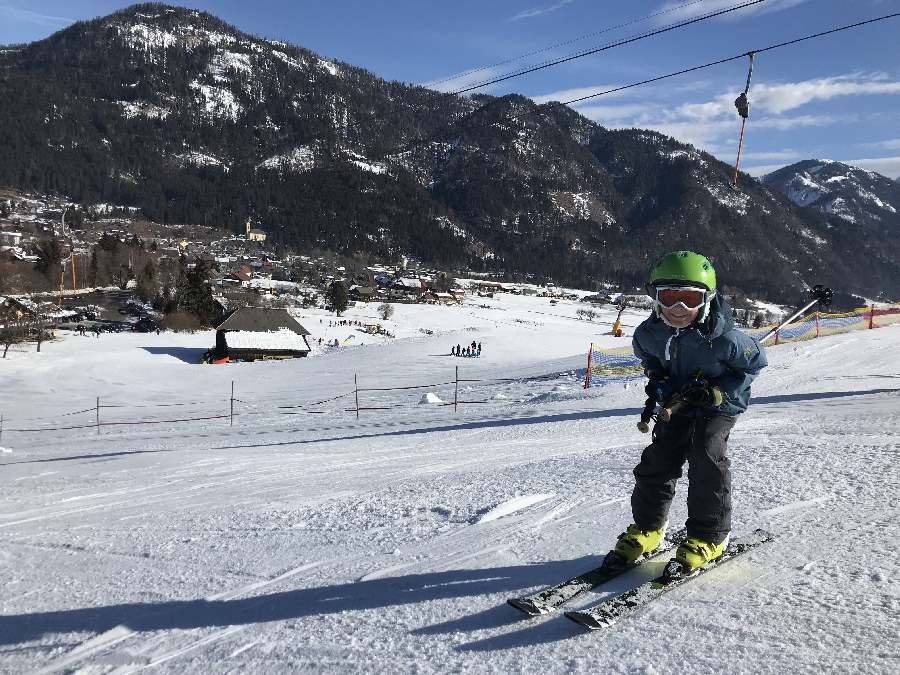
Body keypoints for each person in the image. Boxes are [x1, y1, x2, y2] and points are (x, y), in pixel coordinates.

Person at [609, 250, 767, 574]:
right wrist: (659, 380)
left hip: (719, 405)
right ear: (655, 297)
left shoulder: (727, 340)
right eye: (669, 297)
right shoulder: (648, 334)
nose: (678, 309)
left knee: (706, 454)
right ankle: (649, 529)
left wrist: (719, 392)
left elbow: (753, 365)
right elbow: (651, 360)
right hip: (678, 402)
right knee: (658, 459)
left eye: (689, 299)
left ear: (707, 299)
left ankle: (709, 537)